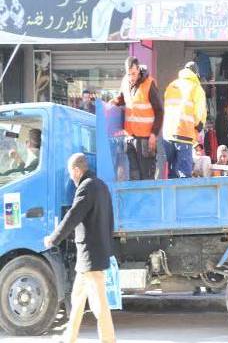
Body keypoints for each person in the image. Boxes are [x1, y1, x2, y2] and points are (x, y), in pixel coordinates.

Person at [43, 153, 116, 343]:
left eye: (70, 173)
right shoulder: (101, 185)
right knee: (77, 299)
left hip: (90, 254)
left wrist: (53, 238)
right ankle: (69, 337)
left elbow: (73, 216)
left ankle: (109, 339)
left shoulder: (86, 187)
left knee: (99, 303)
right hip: (93, 253)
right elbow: (110, 219)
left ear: (77, 170)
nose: (71, 177)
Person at [113, 56, 164, 180]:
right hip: (130, 138)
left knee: (146, 177)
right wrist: (112, 103)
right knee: (134, 176)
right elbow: (121, 99)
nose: (131, 77)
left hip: (146, 139)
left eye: (134, 74)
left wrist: (154, 134)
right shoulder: (125, 81)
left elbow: (159, 111)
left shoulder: (149, 84)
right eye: (129, 74)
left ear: (139, 70)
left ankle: (148, 200)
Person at [162, 61, 207, 178]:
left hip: (168, 134)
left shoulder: (172, 85)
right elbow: (199, 112)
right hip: (184, 134)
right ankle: (184, 197)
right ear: (196, 74)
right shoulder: (196, 88)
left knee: (172, 172)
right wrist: (199, 126)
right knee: (184, 174)